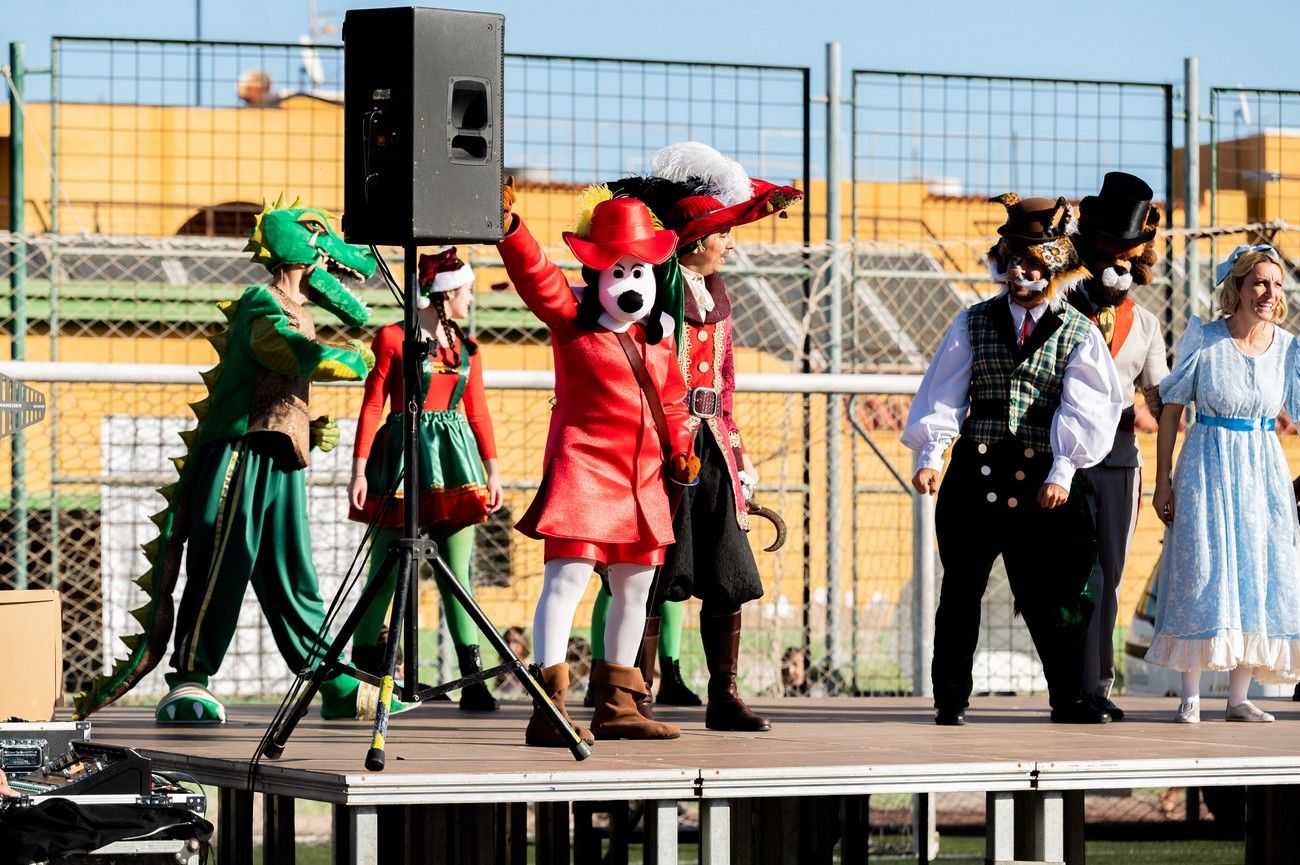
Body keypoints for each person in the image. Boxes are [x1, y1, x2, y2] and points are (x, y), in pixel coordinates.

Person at [75, 198, 410, 724]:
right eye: (319, 237)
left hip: (276, 455)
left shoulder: (300, 308)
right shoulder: (263, 300)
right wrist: (358, 358)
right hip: (239, 453)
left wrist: (304, 423)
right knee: (222, 565)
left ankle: (331, 680)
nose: (333, 256)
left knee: (291, 573)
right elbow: (282, 353)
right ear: (299, 247)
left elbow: (279, 382)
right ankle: (189, 678)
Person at [903, 193, 1123, 726]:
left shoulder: (1078, 331)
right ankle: (950, 698)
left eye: (1035, 260)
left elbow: (1089, 405)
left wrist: (1065, 469)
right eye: (1015, 259)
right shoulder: (973, 322)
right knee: (960, 591)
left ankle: (1069, 697)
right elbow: (945, 392)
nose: (1022, 270)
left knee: (1058, 596)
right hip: (976, 476)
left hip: (1045, 481)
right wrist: (932, 454)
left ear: (1056, 267)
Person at [497, 187, 697, 746]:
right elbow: (537, 276)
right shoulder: (572, 320)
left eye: (640, 272)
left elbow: (675, 402)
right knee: (566, 583)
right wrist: (511, 227)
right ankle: (549, 705)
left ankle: (617, 704)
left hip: (643, 480)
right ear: (595, 274)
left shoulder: (658, 339)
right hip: (584, 472)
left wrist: (681, 443)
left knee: (636, 588)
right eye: (617, 271)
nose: (630, 286)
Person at [1148, 244, 1300, 723]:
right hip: (1207, 464)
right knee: (1203, 568)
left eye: (1276, 284)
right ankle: (1190, 695)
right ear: (1236, 287)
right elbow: (1171, 409)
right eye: (1259, 282)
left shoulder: (1288, 348)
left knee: (1259, 570)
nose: (1269, 293)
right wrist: (1162, 481)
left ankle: (1238, 697)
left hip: (1263, 469)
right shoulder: (1206, 339)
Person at [347, 247, 504, 712]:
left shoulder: (466, 348)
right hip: (400, 457)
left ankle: (473, 678)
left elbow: (476, 410)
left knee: (458, 574)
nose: (472, 299)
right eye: (468, 291)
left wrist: (493, 469)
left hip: (453, 461)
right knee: (385, 570)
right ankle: (363, 678)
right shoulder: (394, 338)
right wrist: (358, 469)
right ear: (448, 292)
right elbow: (373, 404)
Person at [1067, 172, 1169, 721]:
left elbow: (1159, 394)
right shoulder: (1061, 307)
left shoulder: (1148, 324)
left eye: (1128, 258)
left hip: (1121, 463)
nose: (1118, 266)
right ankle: (1067, 681)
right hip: (1063, 460)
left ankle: (1096, 685)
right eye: (1109, 253)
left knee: (1109, 573)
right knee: (1069, 575)